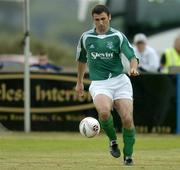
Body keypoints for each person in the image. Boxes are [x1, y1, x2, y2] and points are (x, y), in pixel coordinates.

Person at [75, 5, 139, 165]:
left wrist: (133, 67)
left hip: (120, 81)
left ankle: (128, 156)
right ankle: (112, 141)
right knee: (103, 112)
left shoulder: (118, 36)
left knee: (127, 119)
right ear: (93, 20)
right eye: (97, 20)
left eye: (103, 19)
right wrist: (79, 82)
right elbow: (81, 60)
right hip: (100, 83)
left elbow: (132, 56)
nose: (101, 22)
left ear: (109, 17)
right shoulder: (86, 37)